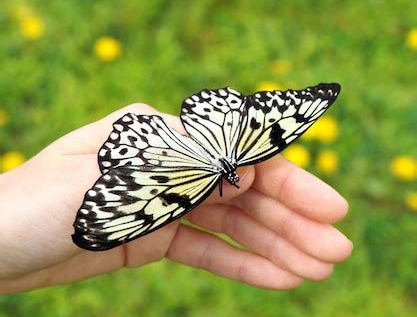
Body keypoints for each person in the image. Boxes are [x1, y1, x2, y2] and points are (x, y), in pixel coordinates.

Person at [0, 103, 353, 294]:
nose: (234, 178)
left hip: (165, 149)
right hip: (208, 137)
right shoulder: (214, 177)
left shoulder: (203, 185)